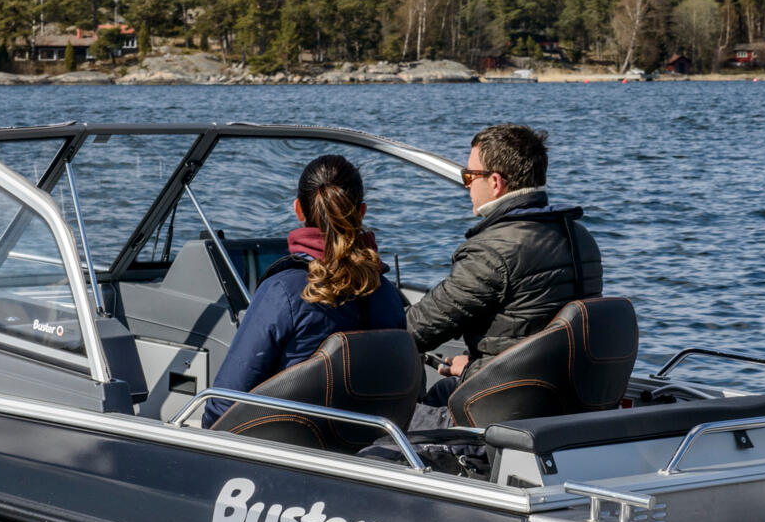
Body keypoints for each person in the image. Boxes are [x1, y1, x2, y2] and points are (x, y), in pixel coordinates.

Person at [407, 124, 602, 409]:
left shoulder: (492, 250)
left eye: (469, 176)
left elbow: (415, 330)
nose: (467, 185)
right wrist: (474, 368)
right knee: (443, 391)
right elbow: (532, 336)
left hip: (505, 410)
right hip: (562, 397)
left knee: (388, 423)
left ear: (495, 182)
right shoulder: (581, 238)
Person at [202, 155, 406, 426]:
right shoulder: (388, 295)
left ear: (298, 210)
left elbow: (223, 404)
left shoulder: (283, 292)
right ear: (362, 212)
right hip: (370, 444)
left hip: (291, 446)